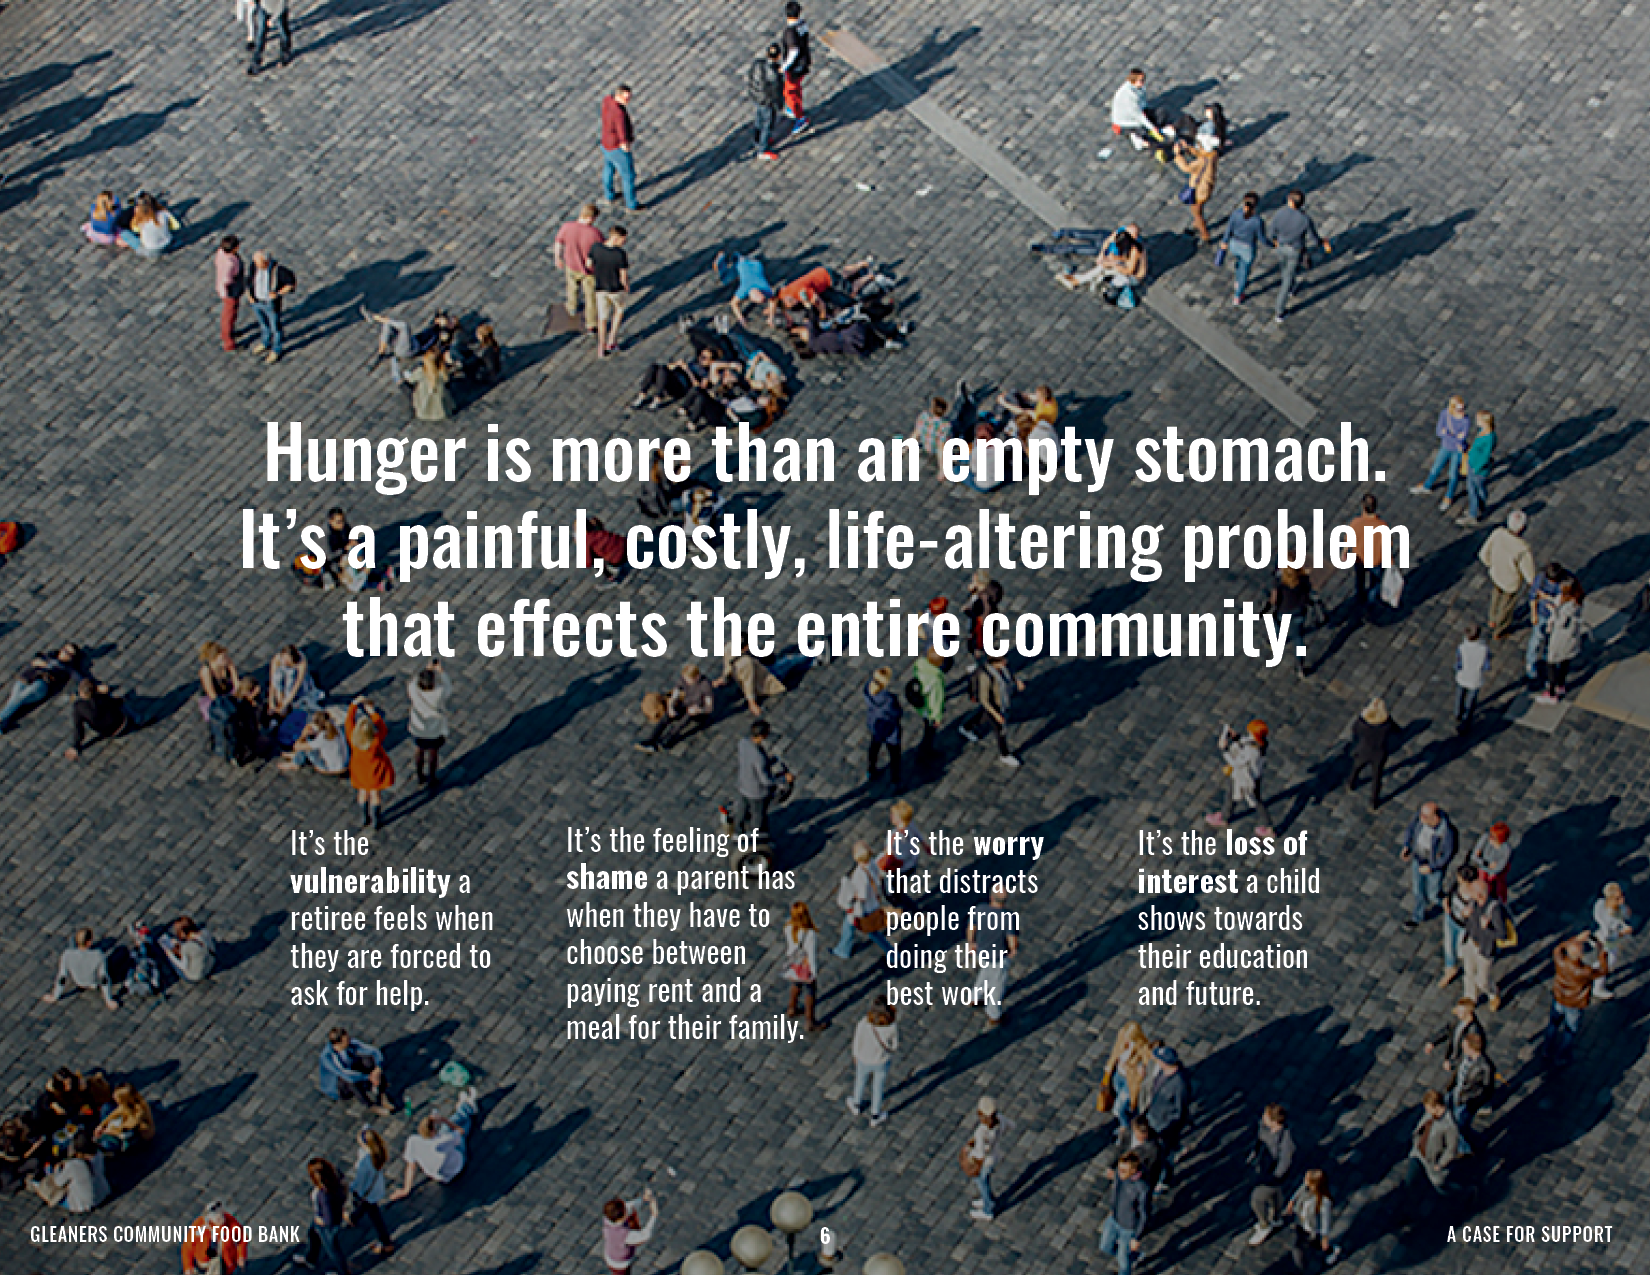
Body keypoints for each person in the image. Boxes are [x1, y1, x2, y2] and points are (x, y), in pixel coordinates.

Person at [389, 1087, 479, 1198]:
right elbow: (460, 1131)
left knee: (456, 1127)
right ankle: (466, 1107)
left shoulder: (413, 1141)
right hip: (457, 1166)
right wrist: (442, 1120)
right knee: (452, 1127)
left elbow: (411, 1166)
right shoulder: (443, 1140)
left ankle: (466, 1109)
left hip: (439, 1176)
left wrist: (406, 1190)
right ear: (432, 1131)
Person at [1544, 933, 1607, 1067]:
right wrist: (1601, 950)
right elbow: (1603, 970)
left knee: (1553, 1024)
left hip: (1559, 999)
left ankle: (1547, 1050)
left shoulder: (1560, 960)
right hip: (1574, 1004)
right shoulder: (1585, 971)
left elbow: (1557, 948)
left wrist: (1575, 939)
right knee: (1570, 1031)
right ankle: (1561, 1056)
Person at [1269, 189, 1331, 322]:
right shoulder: (1305, 220)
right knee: (1287, 278)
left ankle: (1291, 287)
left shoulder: (1280, 214)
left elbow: (1271, 233)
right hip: (1294, 251)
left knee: (1285, 269)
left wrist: (1276, 242)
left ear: (1290, 201)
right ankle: (1280, 311)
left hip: (1280, 247)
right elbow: (1314, 239)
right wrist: (1323, 243)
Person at [1205, 720, 1275, 836]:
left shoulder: (1253, 752)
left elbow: (1236, 762)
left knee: (1254, 801)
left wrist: (1224, 749)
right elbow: (1246, 742)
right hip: (1248, 776)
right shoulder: (1259, 742)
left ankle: (1269, 827)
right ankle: (1224, 816)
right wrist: (1236, 737)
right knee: (1232, 795)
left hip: (1246, 778)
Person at [1, 642, 84, 733]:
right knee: (15, 698)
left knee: (20, 697)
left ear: (72, 658)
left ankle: (2, 718)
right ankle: (4, 722)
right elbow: (31, 663)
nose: (64, 653)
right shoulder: (49, 655)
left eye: (69, 653)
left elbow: (81, 680)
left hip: (41, 685)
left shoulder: (68, 668)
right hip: (26, 678)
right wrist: (35, 662)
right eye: (65, 650)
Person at [967, 884, 1019, 1030]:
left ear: (991, 897)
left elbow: (971, 929)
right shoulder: (1008, 918)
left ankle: (975, 998)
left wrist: (972, 943)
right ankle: (993, 1014)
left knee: (985, 974)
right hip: (998, 957)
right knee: (997, 986)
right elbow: (1012, 941)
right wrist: (1013, 950)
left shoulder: (980, 909)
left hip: (982, 953)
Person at [1478, 509, 1535, 639]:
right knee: (1506, 606)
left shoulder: (1498, 533)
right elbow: (1528, 572)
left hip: (1496, 574)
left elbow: (1483, 554)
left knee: (1496, 596)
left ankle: (1492, 619)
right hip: (1511, 583)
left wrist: (1491, 564)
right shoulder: (1522, 548)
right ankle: (1500, 629)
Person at [1399, 802, 1456, 931]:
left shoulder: (1447, 832)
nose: (1421, 818)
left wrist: (1432, 867)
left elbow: (1447, 855)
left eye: (1425, 816)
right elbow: (1410, 829)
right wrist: (1407, 845)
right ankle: (1417, 917)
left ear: (1435, 818)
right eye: (1421, 814)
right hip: (1418, 859)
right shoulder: (1420, 818)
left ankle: (1450, 903)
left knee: (1433, 894)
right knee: (1418, 890)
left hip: (1433, 867)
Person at [1409, 396, 1472, 512]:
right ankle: (1427, 486)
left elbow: (1461, 439)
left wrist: (1447, 434)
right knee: (1436, 467)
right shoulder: (1445, 414)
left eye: (1463, 408)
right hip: (1446, 447)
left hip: (1457, 451)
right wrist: (1453, 437)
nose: (1462, 412)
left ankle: (1448, 497)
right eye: (1459, 409)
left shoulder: (1465, 421)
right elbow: (1439, 432)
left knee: (1453, 474)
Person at [960, 653, 1025, 767]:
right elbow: (984, 700)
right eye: (1002, 660)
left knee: (982, 717)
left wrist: (1017, 681)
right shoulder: (986, 676)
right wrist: (996, 715)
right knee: (1001, 731)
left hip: (1002, 702)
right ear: (994, 663)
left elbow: (1009, 674)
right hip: (994, 707)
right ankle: (1005, 755)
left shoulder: (1003, 667)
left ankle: (966, 727)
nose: (1005, 662)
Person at [1247, 1103, 1297, 1246]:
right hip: (1263, 1168)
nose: (1263, 1117)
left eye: (1266, 1116)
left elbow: (1284, 1165)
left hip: (1272, 1177)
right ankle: (1276, 1218)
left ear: (1275, 1122)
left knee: (1257, 1199)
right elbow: (1259, 1141)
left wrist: (1270, 1179)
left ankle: (1264, 1226)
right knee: (1276, 1196)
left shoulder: (1286, 1141)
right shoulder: (1264, 1127)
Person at [832, 841, 891, 958]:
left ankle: (893, 954)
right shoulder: (872, 864)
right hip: (873, 904)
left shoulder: (860, 874)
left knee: (872, 933)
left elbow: (862, 896)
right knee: (849, 925)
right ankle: (843, 949)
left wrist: (850, 894)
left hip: (863, 910)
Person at [1144, 1045, 1191, 1186]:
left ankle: (1163, 1180)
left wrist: (1170, 1129)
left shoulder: (1179, 1084)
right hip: (1154, 1115)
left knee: (1163, 1154)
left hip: (1165, 1124)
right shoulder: (1163, 1072)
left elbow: (1180, 1110)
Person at [553, 204, 604, 336]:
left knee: (572, 287)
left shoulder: (567, 227)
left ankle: (572, 307)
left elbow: (558, 242)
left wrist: (557, 258)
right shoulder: (594, 233)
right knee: (591, 297)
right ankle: (591, 324)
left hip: (571, 265)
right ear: (590, 218)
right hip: (588, 271)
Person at [734, 719, 788, 840]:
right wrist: (783, 779)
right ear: (762, 736)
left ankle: (737, 830)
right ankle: (756, 836)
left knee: (742, 809)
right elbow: (766, 781)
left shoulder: (743, 743)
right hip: (756, 792)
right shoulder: (759, 757)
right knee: (758, 815)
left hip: (743, 785)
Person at [345, 697, 395, 830]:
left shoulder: (352, 738)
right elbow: (382, 728)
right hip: (375, 772)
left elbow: (348, 721)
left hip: (360, 771)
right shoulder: (375, 742)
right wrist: (372, 712)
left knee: (362, 793)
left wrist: (354, 705)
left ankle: (364, 817)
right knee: (375, 794)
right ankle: (375, 820)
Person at [1098, 1151, 1151, 1274]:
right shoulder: (1119, 1175)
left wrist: (1136, 1238)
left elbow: (1144, 1214)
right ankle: (1133, 1257)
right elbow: (1115, 1192)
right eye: (1119, 1168)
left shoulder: (1141, 1188)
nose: (1118, 1172)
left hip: (1128, 1228)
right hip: (1114, 1219)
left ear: (1132, 1171)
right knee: (1105, 1246)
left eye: (1123, 1170)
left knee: (1123, 1261)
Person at [846, 998, 897, 1125]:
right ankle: (875, 1115)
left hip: (863, 1059)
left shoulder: (864, 1023)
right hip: (881, 1061)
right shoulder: (892, 1027)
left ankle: (856, 1104)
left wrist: (855, 1055)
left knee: (860, 1081)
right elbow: (895, 1046)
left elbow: (857, 1042)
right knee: (878, 1087)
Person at [317, 1027, 392, 1113]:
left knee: (369, 1059)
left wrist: (378, 1068)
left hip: (352, 1068)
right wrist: (369, 1077)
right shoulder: (328, 1057)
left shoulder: (349, 1042)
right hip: (339, 1087)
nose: (350, 1041)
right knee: (350, 1081)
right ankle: (370, 1105)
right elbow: (346, 1074)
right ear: (338, 1043)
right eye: (346, 1040)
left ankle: (381, 1093)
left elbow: (374, 1051)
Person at [32, 1130, 109, 1213]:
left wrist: (56, 1169)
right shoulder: (98, 1153)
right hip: (103, 1192)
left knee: (47, 1173)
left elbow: (58, 1183)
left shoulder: (74, 1165)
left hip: (85, 1203)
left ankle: (35, 1184)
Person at [42, 927, 119, 1010]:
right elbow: (104, 978)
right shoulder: (99, 955)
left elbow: (62, 977)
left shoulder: (67, 954)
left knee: (72, 941)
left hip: (78, 980)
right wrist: (109, 1000)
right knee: (121, 952)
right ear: (89, 942)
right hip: (93, 983)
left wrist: (54, 996)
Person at [1100, 1021, 1154, 1137]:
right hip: (1118, 1075)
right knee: (1120, 1098)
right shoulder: (1122, 1035)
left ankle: (1125, 1127)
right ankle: (1131, 1118)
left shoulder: (1143, 1047)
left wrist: (1139, 1067)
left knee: (1118, 1108)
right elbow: (1115, 1051)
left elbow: (1147, 1063)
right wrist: (1109, 1067)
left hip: (1130, 1081)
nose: (1125, 1040)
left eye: (1129, 1038)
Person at [1403, 1090, 1459, 1203]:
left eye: (1428, 1108)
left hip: (1432, 1162)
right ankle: (1409, 1210)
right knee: (1409, 1183)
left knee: (1441, 1188)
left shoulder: (1449, 1126)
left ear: (1437, 1107)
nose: (1426, 1111)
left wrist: (1440, 1164)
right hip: (1418, 1154)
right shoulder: (1430, 1114)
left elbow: (1451, 1149)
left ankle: (1463, 1194)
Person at [297, 1158, 350, 1274]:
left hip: (325, 1225)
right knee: (313, 1235)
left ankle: (343, 1272)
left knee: (332, 1249)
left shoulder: (323, 1195)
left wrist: (319, 1220)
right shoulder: (337, 1178)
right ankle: (311, 1259)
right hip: (331, 1215)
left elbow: (328, 1220)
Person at [1459, 875, 1505, 1011]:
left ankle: (1492, 993)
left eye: (1472, 892)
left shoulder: (1494, 910)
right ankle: (1470, 998)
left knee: (1482, 981)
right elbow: (1469, 922)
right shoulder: (1473, 902)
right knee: (1468, 972)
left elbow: (1502, 934)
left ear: (1479, 895)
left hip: (1485, 949)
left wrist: (1487, 928)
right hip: (1471, 942)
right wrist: (1465, 915)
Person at [348, 1128, 396, 1257]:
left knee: (375, 1216)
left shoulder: (365, 1162)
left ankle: (387, 1243)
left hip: (367, 1192)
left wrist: (352, 1188)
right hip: (375, 1187)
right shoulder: (379, 1151)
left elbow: (360, 1181)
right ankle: (354, 1217)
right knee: (366, 1207)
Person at [1537, 579, 1585, 703]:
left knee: (1551, 663)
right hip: (1571, 638)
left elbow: (1560, 623)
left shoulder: (1567, 608)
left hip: (1561, 638)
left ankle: (1552, 694)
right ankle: (1561, 686)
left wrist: (1553, 611)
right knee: (1564, 662)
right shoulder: (1577, 601)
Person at [1346, 697, 1398, 809]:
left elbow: (1354, 729)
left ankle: (1351, 784)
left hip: (1364, 751)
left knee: (1356, 767)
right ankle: (1373, 802)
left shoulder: (1362, 724)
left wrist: (1362, 716)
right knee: (1377, 778)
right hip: (1379, 754)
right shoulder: (1387, 724)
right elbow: (1396, 730)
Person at [1523, 561, 1569, 685]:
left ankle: (1545, 661)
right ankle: (1531, 665)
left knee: (1551, 642)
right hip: (1543, 614)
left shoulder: (1566, 582)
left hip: (1556, 616)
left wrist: (1547, 597)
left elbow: (1564, 600)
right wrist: (1534, 614)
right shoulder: (1541, 579)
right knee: (1536, 640)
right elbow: (1533, 596)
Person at [963, 1096, 1009, 1221]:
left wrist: (969, 1153)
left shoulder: (981, 1132)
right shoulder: (999, 1120)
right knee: (985, 1180)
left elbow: (980, 1153)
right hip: (994, 1156)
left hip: (985, 1161)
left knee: (981, 1181)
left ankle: (987, 1209)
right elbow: (1010, 1125)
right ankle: (988, 1199)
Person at [407, 660, 451, 789]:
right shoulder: (439, 692)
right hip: (434, 729)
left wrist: (427, 669)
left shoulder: (414, 691)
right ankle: (432, 777)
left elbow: (413, 682)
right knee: (433, 753)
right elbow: (448, 686)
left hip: (418, 727)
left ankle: (420, 775)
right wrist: (440, 671)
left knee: (419, 750)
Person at [1450, 1031, 1495, 1155]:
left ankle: (1466, 1149)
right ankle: (1475, 1140)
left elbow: (1485, 1090)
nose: (1462, 1048)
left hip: (1466, 1102)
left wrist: (1467, 1100)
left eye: (1464, 1046)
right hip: (1457, 1093)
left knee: (1459, 1126)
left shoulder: (1485, 1067)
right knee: (1459, 1125)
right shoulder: (1467, 1058)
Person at [65, 678, 133, 760]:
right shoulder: (101, 696)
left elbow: (78, 728)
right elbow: (114, 703)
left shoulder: (79, 707)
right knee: (121, 704)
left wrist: (76, 745)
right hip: (123, 722)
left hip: (109, 732)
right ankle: (137, 718)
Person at [1283, 1169, 1339, 1269]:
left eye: (1307, 1179)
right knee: (1315, 1244)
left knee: (1298, 1250)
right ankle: (1330, 1250)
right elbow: (1299, 1191)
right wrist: (1292, 1201)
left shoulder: (1323, 1201)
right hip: (1301, 1222)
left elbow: (1325, 1221)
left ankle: (1302, 1267)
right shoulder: (1306, 1187)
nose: (1304, 1180)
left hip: (1311, 1229)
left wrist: (1325, 1237)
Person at [248, 249, 296, 364]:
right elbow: (249, 279)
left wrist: (278, 294)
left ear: (266, 262)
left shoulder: (278, 270)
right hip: (256, 301)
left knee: (275, 328)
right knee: (263, 324)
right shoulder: (254, 265)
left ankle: (276, 349)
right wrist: (249, 295)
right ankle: (265, 343)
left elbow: (291, 284)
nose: (256, 265)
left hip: (270, 304)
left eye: (259, 263)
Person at [268, 645, 321, 747]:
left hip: (296, 687)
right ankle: (280, 715)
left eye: (287, 660)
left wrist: (285, 704)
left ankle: (284, 713)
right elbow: (273, 683)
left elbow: (296, 686)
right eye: (284, 658)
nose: (285, 661)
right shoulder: (277, 659)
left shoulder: (301, 661)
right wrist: (272, 702)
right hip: (282, 683)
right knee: (278, 678)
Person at [860, 666, 904, 787]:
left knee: (874, 747)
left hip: (875, 724)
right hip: (890, 730)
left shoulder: (868, 689)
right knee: (895, 755)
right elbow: (897, 713)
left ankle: (871, 770)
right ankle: (895, 779)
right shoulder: (889, 700)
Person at [590, 225, 631, 357]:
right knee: (618, 312)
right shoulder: (620, 254)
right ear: (615, 238)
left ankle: (601, 346)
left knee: (602, 318)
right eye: (622, 240)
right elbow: (623, 276)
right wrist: (627, 286)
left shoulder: (596, 248)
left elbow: (588, 264)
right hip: (616, 289)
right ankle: (611, 341)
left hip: (600, 288)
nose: (623, 242)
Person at [1173, 131, 1220, 243]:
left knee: (1197, 213)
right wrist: (1187, 148)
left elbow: (1186, 168)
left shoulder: (1202, 161)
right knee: (1198, 211)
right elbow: (1201, 153)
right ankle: (1196, 226)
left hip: (1199, 191)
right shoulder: (1212, 154)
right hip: (1206, 188)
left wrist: (1178, 155)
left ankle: (1204, 235)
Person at [717, 639, 786, 716]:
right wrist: (752, 703)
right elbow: (748, 683)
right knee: (790, 662)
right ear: (745, 647)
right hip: (766, 678)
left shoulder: (728, 647)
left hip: (750, 673)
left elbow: (728, 665)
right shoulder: (746, 662)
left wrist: (724, 678)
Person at [1221, 192, 1267, 304]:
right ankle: (1237, 296)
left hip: (1234, 244)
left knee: (1239, 263)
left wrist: (1225, 241)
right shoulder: (1257, 221)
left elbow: (1229, 229)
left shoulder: (1236, 214)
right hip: (1247, 249)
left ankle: (1237, 280)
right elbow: (1261, 238)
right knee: (1245, 271)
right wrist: (1273, 244)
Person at [1269, 565, 1314, 677]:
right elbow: (1308, 593)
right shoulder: (1303, 578)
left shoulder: (1279, 580)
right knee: (1299, 638)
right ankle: (1300, 666)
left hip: (1283, 611)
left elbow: (1274, 600)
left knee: (1277, 623)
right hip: (1299, 611)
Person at [180, 1202, 250, 1274]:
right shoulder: (199, 1226)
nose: (221, 1219)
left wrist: (241, 1255)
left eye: (222, 1215)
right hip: (205, 1265)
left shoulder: (230, 1222)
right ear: (209, 1218)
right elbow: (187, 1247)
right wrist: (188, 1267)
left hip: (226, 1263)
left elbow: (243, 1238)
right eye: (217, 1218)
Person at [600, 85, 639, 211]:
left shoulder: (607, 100)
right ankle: (632, 205)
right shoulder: (619, 113)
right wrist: (625, 144)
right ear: (618, 95)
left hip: (606, 143)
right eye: (626, 98)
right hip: (617, 148)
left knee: (609, 168)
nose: (628, 100)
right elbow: (621, 130)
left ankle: (609, 195)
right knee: (628, 176)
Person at [1348, 493, 1387, 620]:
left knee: (1360, 580)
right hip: (1375, 560)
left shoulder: (1355, 522)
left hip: (1360, 558)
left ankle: (1359, 599)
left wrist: (1344, 552)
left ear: (1363, 507)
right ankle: (1370, 606)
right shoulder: (1382, 526)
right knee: (1375, 584)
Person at [602, 1188, 659, 1273]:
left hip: (610, 1255)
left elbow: (628, 1206)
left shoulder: (608, 1218)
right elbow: (644, 1235)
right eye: (625, 1213)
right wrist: (654, 1216)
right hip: (620, 1263)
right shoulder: (624, 1235)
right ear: (620, 1219)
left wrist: (643, 1199)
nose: (627, 1211)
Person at [1592, 883, 1633, 1000]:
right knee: (1608, 962)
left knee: (1608, 960)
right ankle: (1598, 988)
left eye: (1622, 896)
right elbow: (1609, 935)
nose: (1622, 899)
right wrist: (1624, 932)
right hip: (1607, 941)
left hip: (1604, 937)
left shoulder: (1601, 904)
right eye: (1618, 898)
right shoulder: (1609, 917)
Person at [1439, 865, 1478, 989]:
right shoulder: (1457, 885)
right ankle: (1450, 968)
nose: (1457, 878)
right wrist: (1446, 901)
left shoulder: (1475, 896)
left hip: (1464, 926)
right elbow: (1450, 893)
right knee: (1449, 944)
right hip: (1451, 918)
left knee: (1462, 950)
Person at [279, 708, 349, 776]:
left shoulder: (323, 738)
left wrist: (303, 734)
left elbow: (296, 746)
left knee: (306, 742)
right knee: (312, 738)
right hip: (344, 762)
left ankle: (295, 763)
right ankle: (296, 756)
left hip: (331, 768)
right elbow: (312, 726)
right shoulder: (333, 725)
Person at [1458, 410, 1497, 526]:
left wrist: (1476, 467)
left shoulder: (1489, 438)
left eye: (1478, 419)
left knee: (1473, 490)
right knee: (1478, 489)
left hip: (1478, 469)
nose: (1476, 421)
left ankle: (1473, 515)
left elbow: (1485, 456)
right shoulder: (1483, 431)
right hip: (1473, 464)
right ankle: (1478, 508)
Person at [1424, 997, 1484, 1072]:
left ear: (1468, 1013)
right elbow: (1448, 1030)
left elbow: (1469, 1054)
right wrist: (1433, 1042)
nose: (1456, 1012)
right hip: (1452, 1056)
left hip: (1462, 1065)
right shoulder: (1459, 1019)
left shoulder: (1473, 1032)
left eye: (1460, 1011)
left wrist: (1452, 1063)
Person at [747, 43, 785, 160]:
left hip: (757, 97)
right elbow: (776, 93)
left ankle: (757, 140)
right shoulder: (774, 74)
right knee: (767, 125)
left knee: (759, 119)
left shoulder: (758, 63)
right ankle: (763, 149)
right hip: (767, 102)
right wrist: (779, 105)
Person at [1109, 68, 1163, 149]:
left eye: (1143, 79)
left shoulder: (1139, 87)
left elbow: (1143, 102)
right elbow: (1138, 116)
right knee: (1144, 130)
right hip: (1123, 123)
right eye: (1141, 80)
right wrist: (1152, 128)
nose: (1143, 82)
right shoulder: (1129, 96)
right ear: (1133, 80)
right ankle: (1139, 142)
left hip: (1135, 114)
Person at [779, 2, 812, 131]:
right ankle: (794, 109)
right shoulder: (802, 24)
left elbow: (793, 51)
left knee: (790, 92)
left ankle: (800, 117)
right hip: (804, 63)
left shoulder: (790, 32)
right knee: (796, 88)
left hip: (795, 67)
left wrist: (784, 66)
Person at [400, 347, 456, 421]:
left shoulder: (421, 372)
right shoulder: (443, 373)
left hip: (423, 410)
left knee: (403, 385)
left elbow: (409, 380)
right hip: (442, 411)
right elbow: (447, 382)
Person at [1453, 624, 1490, 733]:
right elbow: (1486, 666)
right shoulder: (1484, 649)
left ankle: (1457, 713)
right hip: (1475, 678)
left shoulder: (1462, 648)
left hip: (1462, 676)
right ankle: (1465, 721)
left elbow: (1458, 664)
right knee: (1470, 701)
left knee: (1460, 695)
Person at [118, 192, 178, 257]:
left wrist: (136, 215)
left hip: (151, 251)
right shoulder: (163, 214)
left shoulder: (139, 221)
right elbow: (176, 226)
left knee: (124, 233)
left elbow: (135, 229)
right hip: (168, 244)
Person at [159, 916, 217, 982]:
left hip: (194, 976)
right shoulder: (205, 932)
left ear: (183, 933)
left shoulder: (186, 947)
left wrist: (170, 955)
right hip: (211, 964)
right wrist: (179, 943)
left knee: (170, 957)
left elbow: (183, 966)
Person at [1469, 822, 1514, 903]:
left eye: (1493, 837)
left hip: (1497, 874)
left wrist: (1481, 860)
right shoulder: (1485, 837)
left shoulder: (1506, 849)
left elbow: (1498, 869)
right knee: (1482, 886)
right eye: (1491, 834)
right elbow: (1473, 856)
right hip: (1484, 870)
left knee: (1499, 889)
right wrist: (1486, 864)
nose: (1490, 837)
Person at [247, 0, 292, 76]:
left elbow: (282, 5)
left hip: (277, 11)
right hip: (263, 8)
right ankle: (255, 63)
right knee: (260, 34)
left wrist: (272, 19)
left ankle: (285, 53)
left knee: (283, 31)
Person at [215, 235, 244, 351]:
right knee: (228, 315)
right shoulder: (229, 263)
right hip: (230, 291)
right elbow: (226, 280)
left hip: (231, 289)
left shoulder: (221, 252)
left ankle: (230, 332)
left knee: (232, 313)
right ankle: (228, 343)